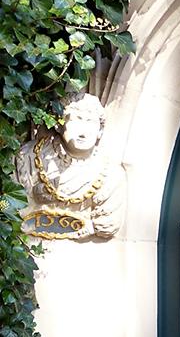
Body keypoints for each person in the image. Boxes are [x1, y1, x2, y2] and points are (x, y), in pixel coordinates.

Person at [16, 92, 125, 239]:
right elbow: (7, 205)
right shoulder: (28, 157)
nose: (83, 132)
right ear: (59, 126)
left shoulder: (110, 174)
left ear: (100, 131)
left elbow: (109, 222)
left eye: (91, 122)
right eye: (77, 120)